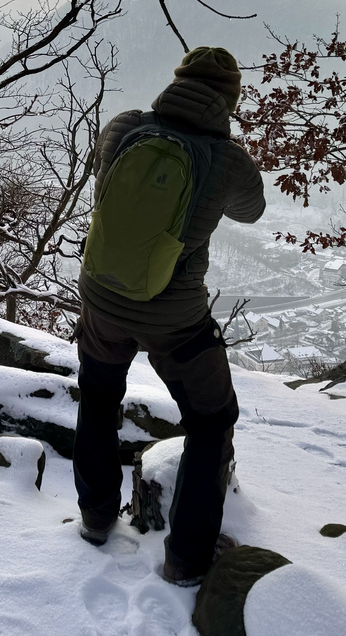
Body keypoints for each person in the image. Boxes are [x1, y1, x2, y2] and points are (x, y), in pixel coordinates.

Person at [73, 46, 265, 586]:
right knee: (211, 421)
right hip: (174, 318)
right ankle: (186, 558)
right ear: (229, 97)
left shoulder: (125, 126)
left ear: (176, 80)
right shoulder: (229, 159)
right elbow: (251, 211)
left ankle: (94, 515)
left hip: (104, 297)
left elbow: (105, 176)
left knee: (99, 395)